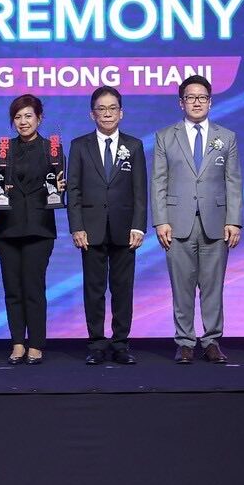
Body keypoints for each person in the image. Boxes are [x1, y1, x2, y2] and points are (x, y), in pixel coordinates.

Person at [150, 75, 242, 364]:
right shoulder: (166, 136)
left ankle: (212, 340)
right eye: (191, 97)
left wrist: (234, 220)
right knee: (182, 287)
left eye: (202, 97)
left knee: (213, 287)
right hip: (177, 223)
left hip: (216, 222)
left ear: (210, 102)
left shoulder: (226, 137)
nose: (197, 102)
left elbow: (233, 181)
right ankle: (185, 342)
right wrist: (160, 221)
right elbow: (159, 181)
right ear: (181, 103)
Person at [66, 88, 147, 365]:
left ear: (121, 113)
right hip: (91, 229)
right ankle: (97, 344)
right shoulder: (80, 145)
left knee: (123, 289)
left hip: (125, 229)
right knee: (94, 289)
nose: (107, 113)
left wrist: (139, 226)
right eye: (101, 109)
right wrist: (76, 226)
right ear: (92, 114)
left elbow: (140, 190)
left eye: (113, 108)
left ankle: (121, 343)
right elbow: (73, 189)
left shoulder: (134, 146)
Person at [0, 95, 62, 364]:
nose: (23, 122)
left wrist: (61, 187)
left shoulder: (51, 148)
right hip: (7, 229)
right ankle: (18, 342)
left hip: (39, 229)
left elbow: (58, 185)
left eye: (28, 116)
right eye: (17, 117)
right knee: (12, 289)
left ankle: (37, 343)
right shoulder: (3, 148)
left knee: (33, 287)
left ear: (39, 118)